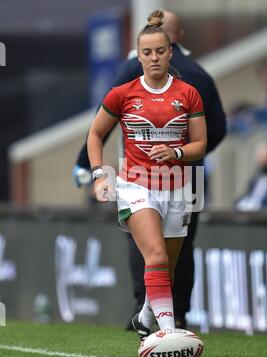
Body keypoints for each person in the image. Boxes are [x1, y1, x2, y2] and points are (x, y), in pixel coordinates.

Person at [75, 10, 227, 329]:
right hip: (136, 185)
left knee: (166, 268)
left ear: (171, 52)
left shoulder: (189, 93)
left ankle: (146, 317)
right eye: (147, 52)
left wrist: (176, 150)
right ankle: (168, 331)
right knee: (155, 256)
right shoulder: (123, 92)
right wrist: (99, 173)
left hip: (179, 184)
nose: (154, 58)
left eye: (160, 51)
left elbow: (201, 142)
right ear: (137, 54)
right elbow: (95, 133)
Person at [235, 143, 267, 211]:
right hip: (250, 207)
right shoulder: (256, 177)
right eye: (262, 157)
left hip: (266, 209)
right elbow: (248, 193)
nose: (264, 160)